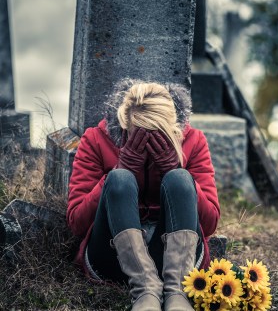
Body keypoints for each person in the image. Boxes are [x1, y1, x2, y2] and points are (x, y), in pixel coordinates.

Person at [66, 79, 220, 311]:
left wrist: (173, 169)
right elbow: (77, 223)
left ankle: (177, 292)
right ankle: (144, 289)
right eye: (139, 133)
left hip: (180, 264)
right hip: (113, 258)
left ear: (174, 127)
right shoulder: (96, 140)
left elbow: (209, 225)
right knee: (119, 179)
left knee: (179, 179)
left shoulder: (194, 141)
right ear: (124, 123)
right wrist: (121, 169)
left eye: (158, 135)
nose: (147, 143)